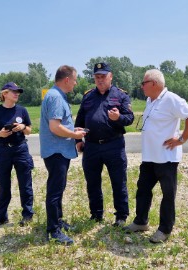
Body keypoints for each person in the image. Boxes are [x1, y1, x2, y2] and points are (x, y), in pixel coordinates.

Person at [124, 69, 188, 243]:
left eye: (144, 83)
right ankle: (141, 222)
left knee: (168, 195)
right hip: (149, 157)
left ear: (154, 83)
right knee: (142, 190)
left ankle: (165, 229)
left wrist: (181, 139)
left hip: (166, 158)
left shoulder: (171, 99)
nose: (141, 87)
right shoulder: (151, 100)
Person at [75, 62, 134, 227]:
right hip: (91, 146)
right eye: (97, 77)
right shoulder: (87, 96)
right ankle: (96, 214)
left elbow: (129, 118)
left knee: (118, 181)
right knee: (92, 182)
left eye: (103, 76)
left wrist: (118, 118)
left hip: (113, 145)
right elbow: (79, 120)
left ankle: (121, 216)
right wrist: (78, 140)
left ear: (111, 76)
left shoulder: (120, 95)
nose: (100, 80)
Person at [40, 65, 87, 245]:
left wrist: (72, 129)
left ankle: (58, 220)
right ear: (67, 79)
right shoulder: (56, 97)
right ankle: (53, 230)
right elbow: (54, 127)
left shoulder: (55, 95)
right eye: (74, 80)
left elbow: (59, 125)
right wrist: (75, 135)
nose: (75, 83)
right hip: (56, 151)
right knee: (55, 191)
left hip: (58, 150)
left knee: (58, 189)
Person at [0, 82, 34, 228]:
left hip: (20, 150)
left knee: (25, 184)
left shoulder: (22, 110)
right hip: (2, 151)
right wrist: (0, 133)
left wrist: (23, 127)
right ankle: (1, 217)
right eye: (14, 91)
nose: (17, 94)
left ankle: (27, 214)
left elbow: (29, 130)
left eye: (18, 92)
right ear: (5, 94)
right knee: (3, 185)